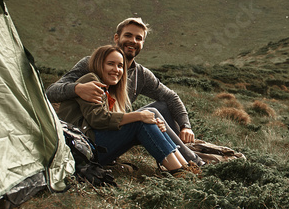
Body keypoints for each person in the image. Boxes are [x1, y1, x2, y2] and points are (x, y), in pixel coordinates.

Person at [46, 17, 203, 165]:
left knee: (158, 110)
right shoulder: (91, 64)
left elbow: (171, 97)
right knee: (148, 115)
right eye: (128, 35)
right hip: (85, 135)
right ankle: (191, 164)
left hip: (114, 125)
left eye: (138, 38)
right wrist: (77, 88)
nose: (133, 41)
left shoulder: (140, 74)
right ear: (116, 38)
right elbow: (50, 92)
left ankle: (184, 158)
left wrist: (185, 126)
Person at [55, 44, 195, 174]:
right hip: (79, 148)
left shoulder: (110, 89)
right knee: (140, 121)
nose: (116, 70)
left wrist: (152, 122)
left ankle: (187, 168)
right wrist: (139, 117)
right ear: (99, 64)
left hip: (89, 146)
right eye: (110, 64)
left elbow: (110, 122)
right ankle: (178, 172)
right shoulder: (90, 80)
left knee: (147, 119)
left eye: (120, 66)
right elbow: (98, 120)